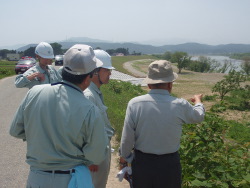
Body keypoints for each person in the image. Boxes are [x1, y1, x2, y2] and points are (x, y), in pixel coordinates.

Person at [9, 44, 109, 188]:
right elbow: (97, 155)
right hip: (70, 180)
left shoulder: (34, 92)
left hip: (36, 178)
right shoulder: (90, 109)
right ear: (88, 77)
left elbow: (15, 131)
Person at [119, 60, 205, 188]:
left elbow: (127, 137)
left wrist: (124, 159)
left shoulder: (135, 104)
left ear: (149, 84)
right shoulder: (180, 104)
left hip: (143, 163)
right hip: (169, 165)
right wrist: (198, 102)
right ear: (170, 84)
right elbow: (198, 117)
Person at [83, 49, 115, 188]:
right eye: (107, 70)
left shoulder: (95, 93)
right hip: (95, 158)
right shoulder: (89, 95)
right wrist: (92, 158)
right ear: (95, 71)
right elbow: (85, 131)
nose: (110, 73)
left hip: (100, 152)